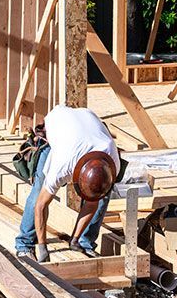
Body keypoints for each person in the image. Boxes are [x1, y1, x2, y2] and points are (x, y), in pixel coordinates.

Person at [15, 106, 119, 261]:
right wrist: (43, 248)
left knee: (102, 195)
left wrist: (74, 239)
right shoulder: (62, 165)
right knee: (39, 193)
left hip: (86, 118)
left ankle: (82, 242)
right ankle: (25, 244)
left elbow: (93, 203)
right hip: (57, 124)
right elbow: (41, 206)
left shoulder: (112, 162)